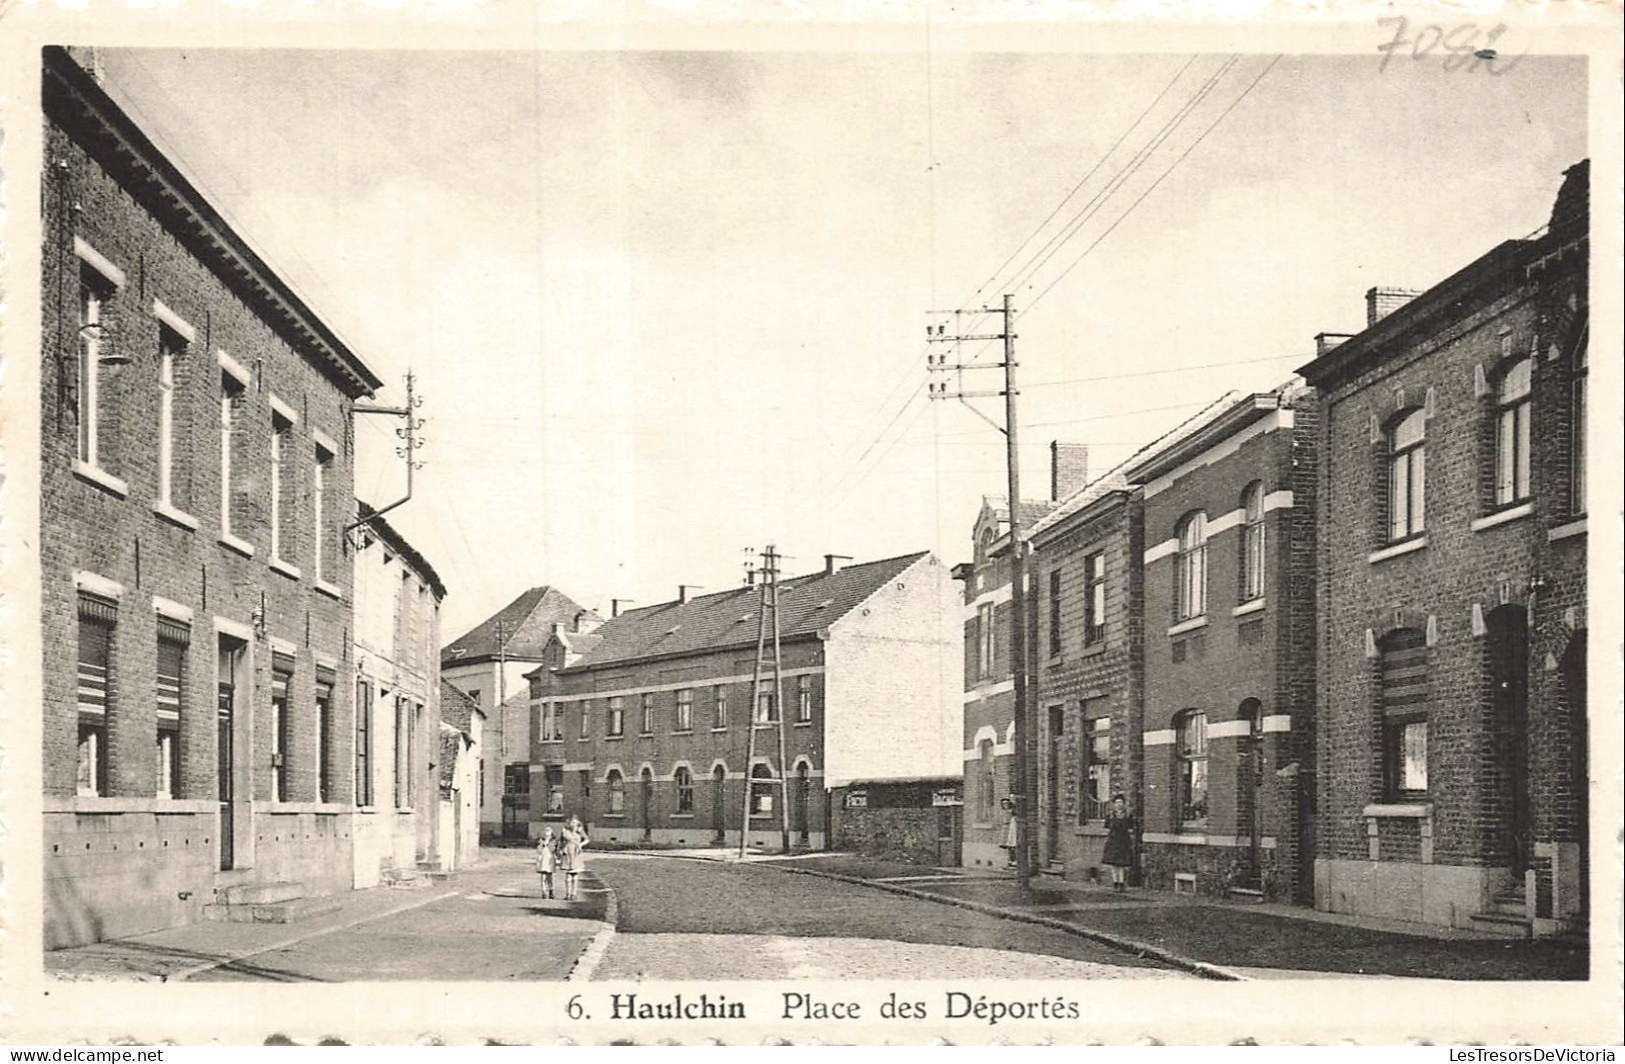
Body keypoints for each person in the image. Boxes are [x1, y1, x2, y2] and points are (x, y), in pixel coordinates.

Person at [1102, 793, 1138, 892]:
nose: (1118, 804)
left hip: (1123, 841)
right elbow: (1106, 828)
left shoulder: (1127, 815)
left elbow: (1131, 828)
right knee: (1113, 864)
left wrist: (1129, 839)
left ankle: (1121, 883)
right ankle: (1115, 883)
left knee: (1121, 864)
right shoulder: (1110, 815)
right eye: (1117, 802)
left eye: (1120, 802)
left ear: (1123, 804)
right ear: (1114, 804)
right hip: (1113, 841)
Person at [561, 816, 590, 901]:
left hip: (576, 852)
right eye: (571, 822)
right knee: (568, 874)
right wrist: (562, 849)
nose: (573, 824)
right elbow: (561, 841)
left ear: (578, 823)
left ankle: (574, 894)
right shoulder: (566, 832)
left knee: (575, 874)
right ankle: (568, 893)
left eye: (575, 823)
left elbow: (587, 839)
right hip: (568, 852)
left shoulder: (579, 831)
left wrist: (580, 845)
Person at [535, 826, 556, 899]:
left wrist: (548, 844)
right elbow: (538, 850)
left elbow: (553, 849)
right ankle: (543, 891)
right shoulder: (541, 841)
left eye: (549, 831)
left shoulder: (553, 840)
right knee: (543, 876)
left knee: (549, 876)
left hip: (550, 858)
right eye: (546, 830)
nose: (547, 832)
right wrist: (541, 844)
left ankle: (551, 890)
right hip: (543, 858)